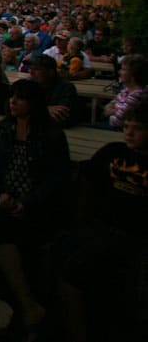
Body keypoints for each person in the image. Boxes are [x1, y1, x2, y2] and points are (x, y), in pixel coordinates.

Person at [0, 79, 70, 330]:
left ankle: (22, 298)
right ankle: (19, 297)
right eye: (12, 96)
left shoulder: (52, 135)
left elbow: (56, 179)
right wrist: (1, 193)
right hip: (3, 195)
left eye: (20, 98)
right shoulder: (1, 129)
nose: (13, 102)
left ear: (34, 103)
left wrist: (27, 202)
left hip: (35, 200)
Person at [54, 94, 148, 342]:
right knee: (68, 265)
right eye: (126, 127)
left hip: (137, 236)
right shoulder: (113, 152)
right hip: (105, 228)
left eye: (137, 129)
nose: (129, 133)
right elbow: (87, 179)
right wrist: (82, 221)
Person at [28, 54, 78, 128]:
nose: (31, 72)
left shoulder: (66, 88)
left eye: (37, 69)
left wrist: (32, 110)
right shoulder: (28, 84)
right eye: (30, 68)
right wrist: (45, 110)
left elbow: (62, 118)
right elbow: (13, 109)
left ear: (51, 72)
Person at [104, 54, 147, 130]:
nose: (119, 72)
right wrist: (115, 110)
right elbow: (109, 105)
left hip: (117, 130)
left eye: (123, 69)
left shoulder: (137, 96)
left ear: (133, 75)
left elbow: (116, 122)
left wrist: (111, 110)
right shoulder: (127, 90)